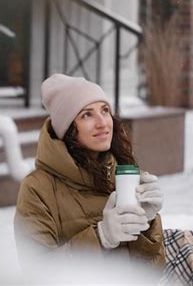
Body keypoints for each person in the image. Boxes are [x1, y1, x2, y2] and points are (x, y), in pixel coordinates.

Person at [14, 74, 166, 280]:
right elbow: (37, 274)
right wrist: (101, 237)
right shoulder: (37, 188)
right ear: (67, 129)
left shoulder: (123, 175)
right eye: (87, 115)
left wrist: (148, 225)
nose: (103, 123)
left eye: (105, 110)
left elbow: (150, 274)